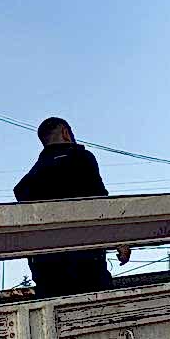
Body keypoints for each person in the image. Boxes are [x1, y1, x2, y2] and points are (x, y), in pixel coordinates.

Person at [13, 117, 130, 298]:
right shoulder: (82, 159)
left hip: (48, 273)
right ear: (66, 133)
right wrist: (119, 240)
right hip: (87, 266)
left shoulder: (29, 182)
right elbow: (100, 204)